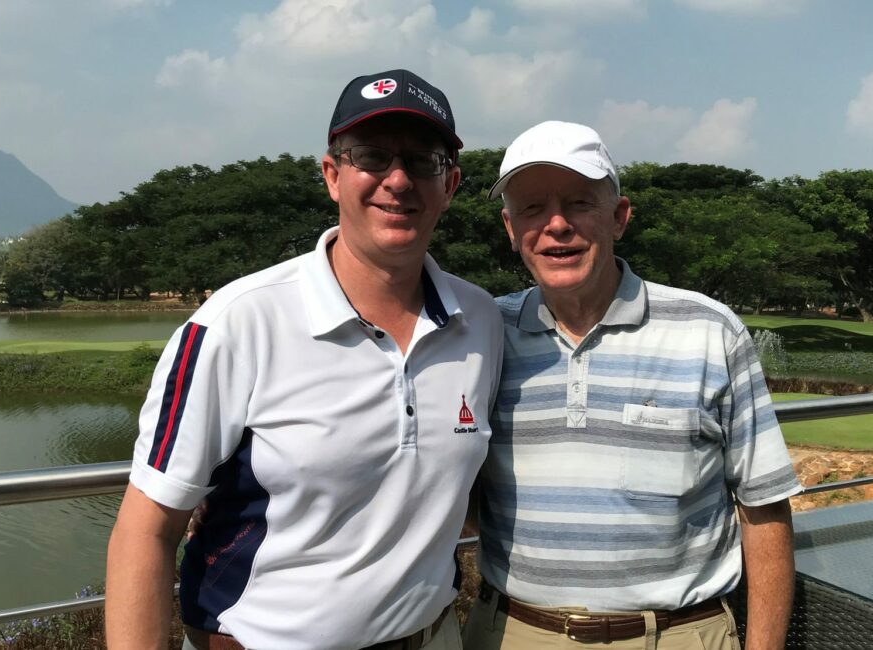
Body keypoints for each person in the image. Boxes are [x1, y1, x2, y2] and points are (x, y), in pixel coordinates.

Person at [105, 69, 503, 650]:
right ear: (332, 175)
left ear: (451, 184)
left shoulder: (481, 321)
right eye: (371, 157)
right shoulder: (238, 323)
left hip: (434, 636)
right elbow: (145, 528)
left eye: (423, 161)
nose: (397, 180)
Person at [464, 121, 802, 650]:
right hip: (512, 632)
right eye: (531, 208)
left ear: (618, 217)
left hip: (676, 635)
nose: (556, 225)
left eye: (579, 203)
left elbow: (764, 508)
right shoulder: (484, 334)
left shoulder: (709, 330)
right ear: (510, 229)